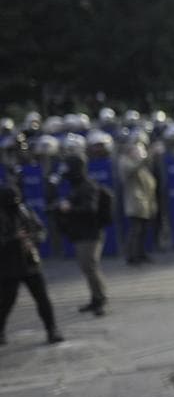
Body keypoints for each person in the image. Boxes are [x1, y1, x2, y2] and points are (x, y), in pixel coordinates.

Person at [0, 185, 63, 345]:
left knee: (42, 298)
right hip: (8, 265)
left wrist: (33, 240)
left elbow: (40, 230)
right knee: (7, 300)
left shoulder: (25, 211)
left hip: (29, 262)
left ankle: (52, 329)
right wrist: (14, 239)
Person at [53, 154, 108, 316]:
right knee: (87, 267)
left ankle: (100, 299)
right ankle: (95, 298)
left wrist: (69, 208)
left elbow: (90, 209)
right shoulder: (78, 186)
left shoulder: (88, 186)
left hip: (90, 234)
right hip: (82, 233)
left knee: (90, 267)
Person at [119, 140, 157, 265]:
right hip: (135, 203)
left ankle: (140, 254)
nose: (139, 153)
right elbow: (133, 168)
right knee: (135, 231)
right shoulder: (125, 163)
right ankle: (131, 256)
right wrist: (148, 155)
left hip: (144, 203)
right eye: (136, 151)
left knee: (142, 231)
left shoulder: (139, 165)